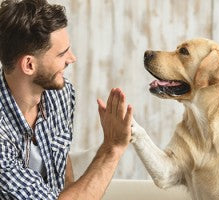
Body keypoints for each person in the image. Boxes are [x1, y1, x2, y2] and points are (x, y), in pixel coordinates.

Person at [0, 0, 133, 199]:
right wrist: (112, 148)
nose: (72, 58)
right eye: (61, 54)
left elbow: (63, 170)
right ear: (29, 65)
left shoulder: (60, 94)